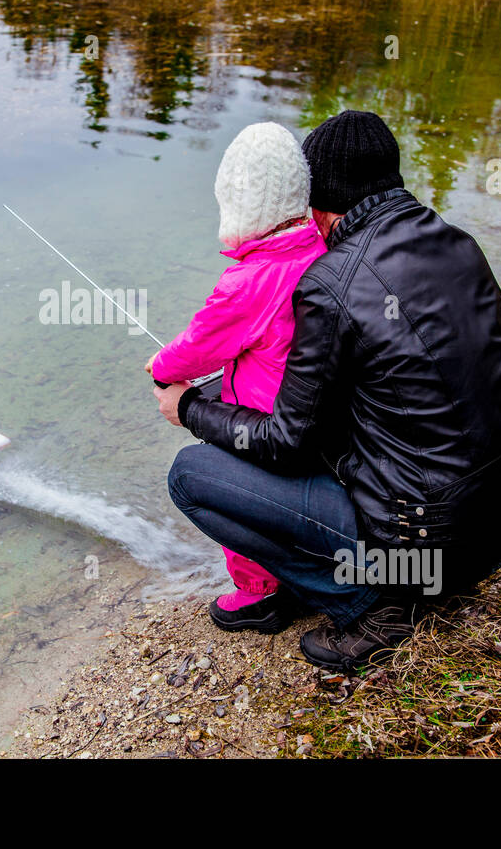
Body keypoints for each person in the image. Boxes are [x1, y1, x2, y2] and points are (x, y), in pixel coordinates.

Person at [154, 110, 501, 673]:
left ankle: (371, 604)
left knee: (191, 476)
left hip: (430, 548)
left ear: (321, 201)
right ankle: (353, 578)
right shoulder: (459, 245)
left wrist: (191, 406)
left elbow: (285, 442)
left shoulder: (334, 282)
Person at [147, 121, 327, 634]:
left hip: (265, 433)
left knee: (221, 472)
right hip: (314, 430)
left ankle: (262, 593)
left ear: (236, 204)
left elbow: (196, 348)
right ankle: (303, 563)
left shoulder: (247, 282)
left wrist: (161, 368)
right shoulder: (319, 251)